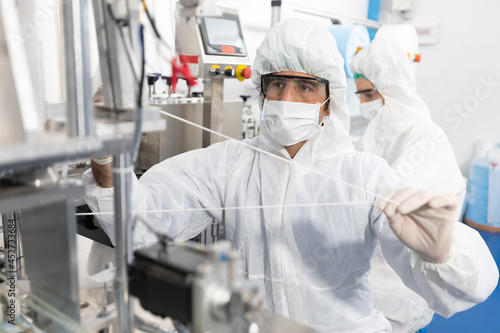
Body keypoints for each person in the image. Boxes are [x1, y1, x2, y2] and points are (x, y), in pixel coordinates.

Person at [82, 18, 498, 333]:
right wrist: (107, 163)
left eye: (305, 87)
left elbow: (462, 291)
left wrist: (443, 253)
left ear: (327, 100)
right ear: (262, 90)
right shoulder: (230, 164)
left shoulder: (363, 174)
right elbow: (142, 221)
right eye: (277, 84)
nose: (286, 99)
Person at [349, 37, 467, 332]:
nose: (363, 104)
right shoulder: (376, 133)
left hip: (400, 285)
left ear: (390, 88)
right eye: (360, 96)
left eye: (368, 95)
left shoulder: (425, 138)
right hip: (368, 280)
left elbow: (392, 212)